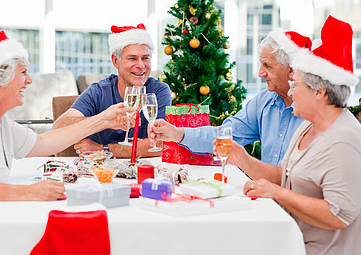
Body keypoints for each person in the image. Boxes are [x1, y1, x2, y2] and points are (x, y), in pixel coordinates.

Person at [0, 31, 129, 255]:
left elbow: (42, 143)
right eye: (23, 72)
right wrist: (28, 192)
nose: (30, 80)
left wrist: (102, 120)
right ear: (0, 78)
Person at [223, 16, 361, 255]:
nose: (291, 91)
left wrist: (277, 194)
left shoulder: (344, 139)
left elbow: (339, 215)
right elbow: (284, 176)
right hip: (291, 241)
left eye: (296, 85)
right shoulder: (308, 127)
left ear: (319, 92)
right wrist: (243, 159)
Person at [149, 29, 311, 165]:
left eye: (267, 66)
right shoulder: (264, 102)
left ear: (291, 70)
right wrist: (178, 133)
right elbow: (223, 135)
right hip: (266, 197)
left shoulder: (314, 110)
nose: (260, 73)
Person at [53, 23, 171, 158]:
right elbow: (58, 127)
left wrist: (103, 149)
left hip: (145, 170)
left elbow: (162, 144)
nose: (140, 65)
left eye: (145, 58)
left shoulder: (158, 91)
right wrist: (103, 120)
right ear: (116, 61)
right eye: (132, 58)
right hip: (101, 172)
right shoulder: (98, 91)